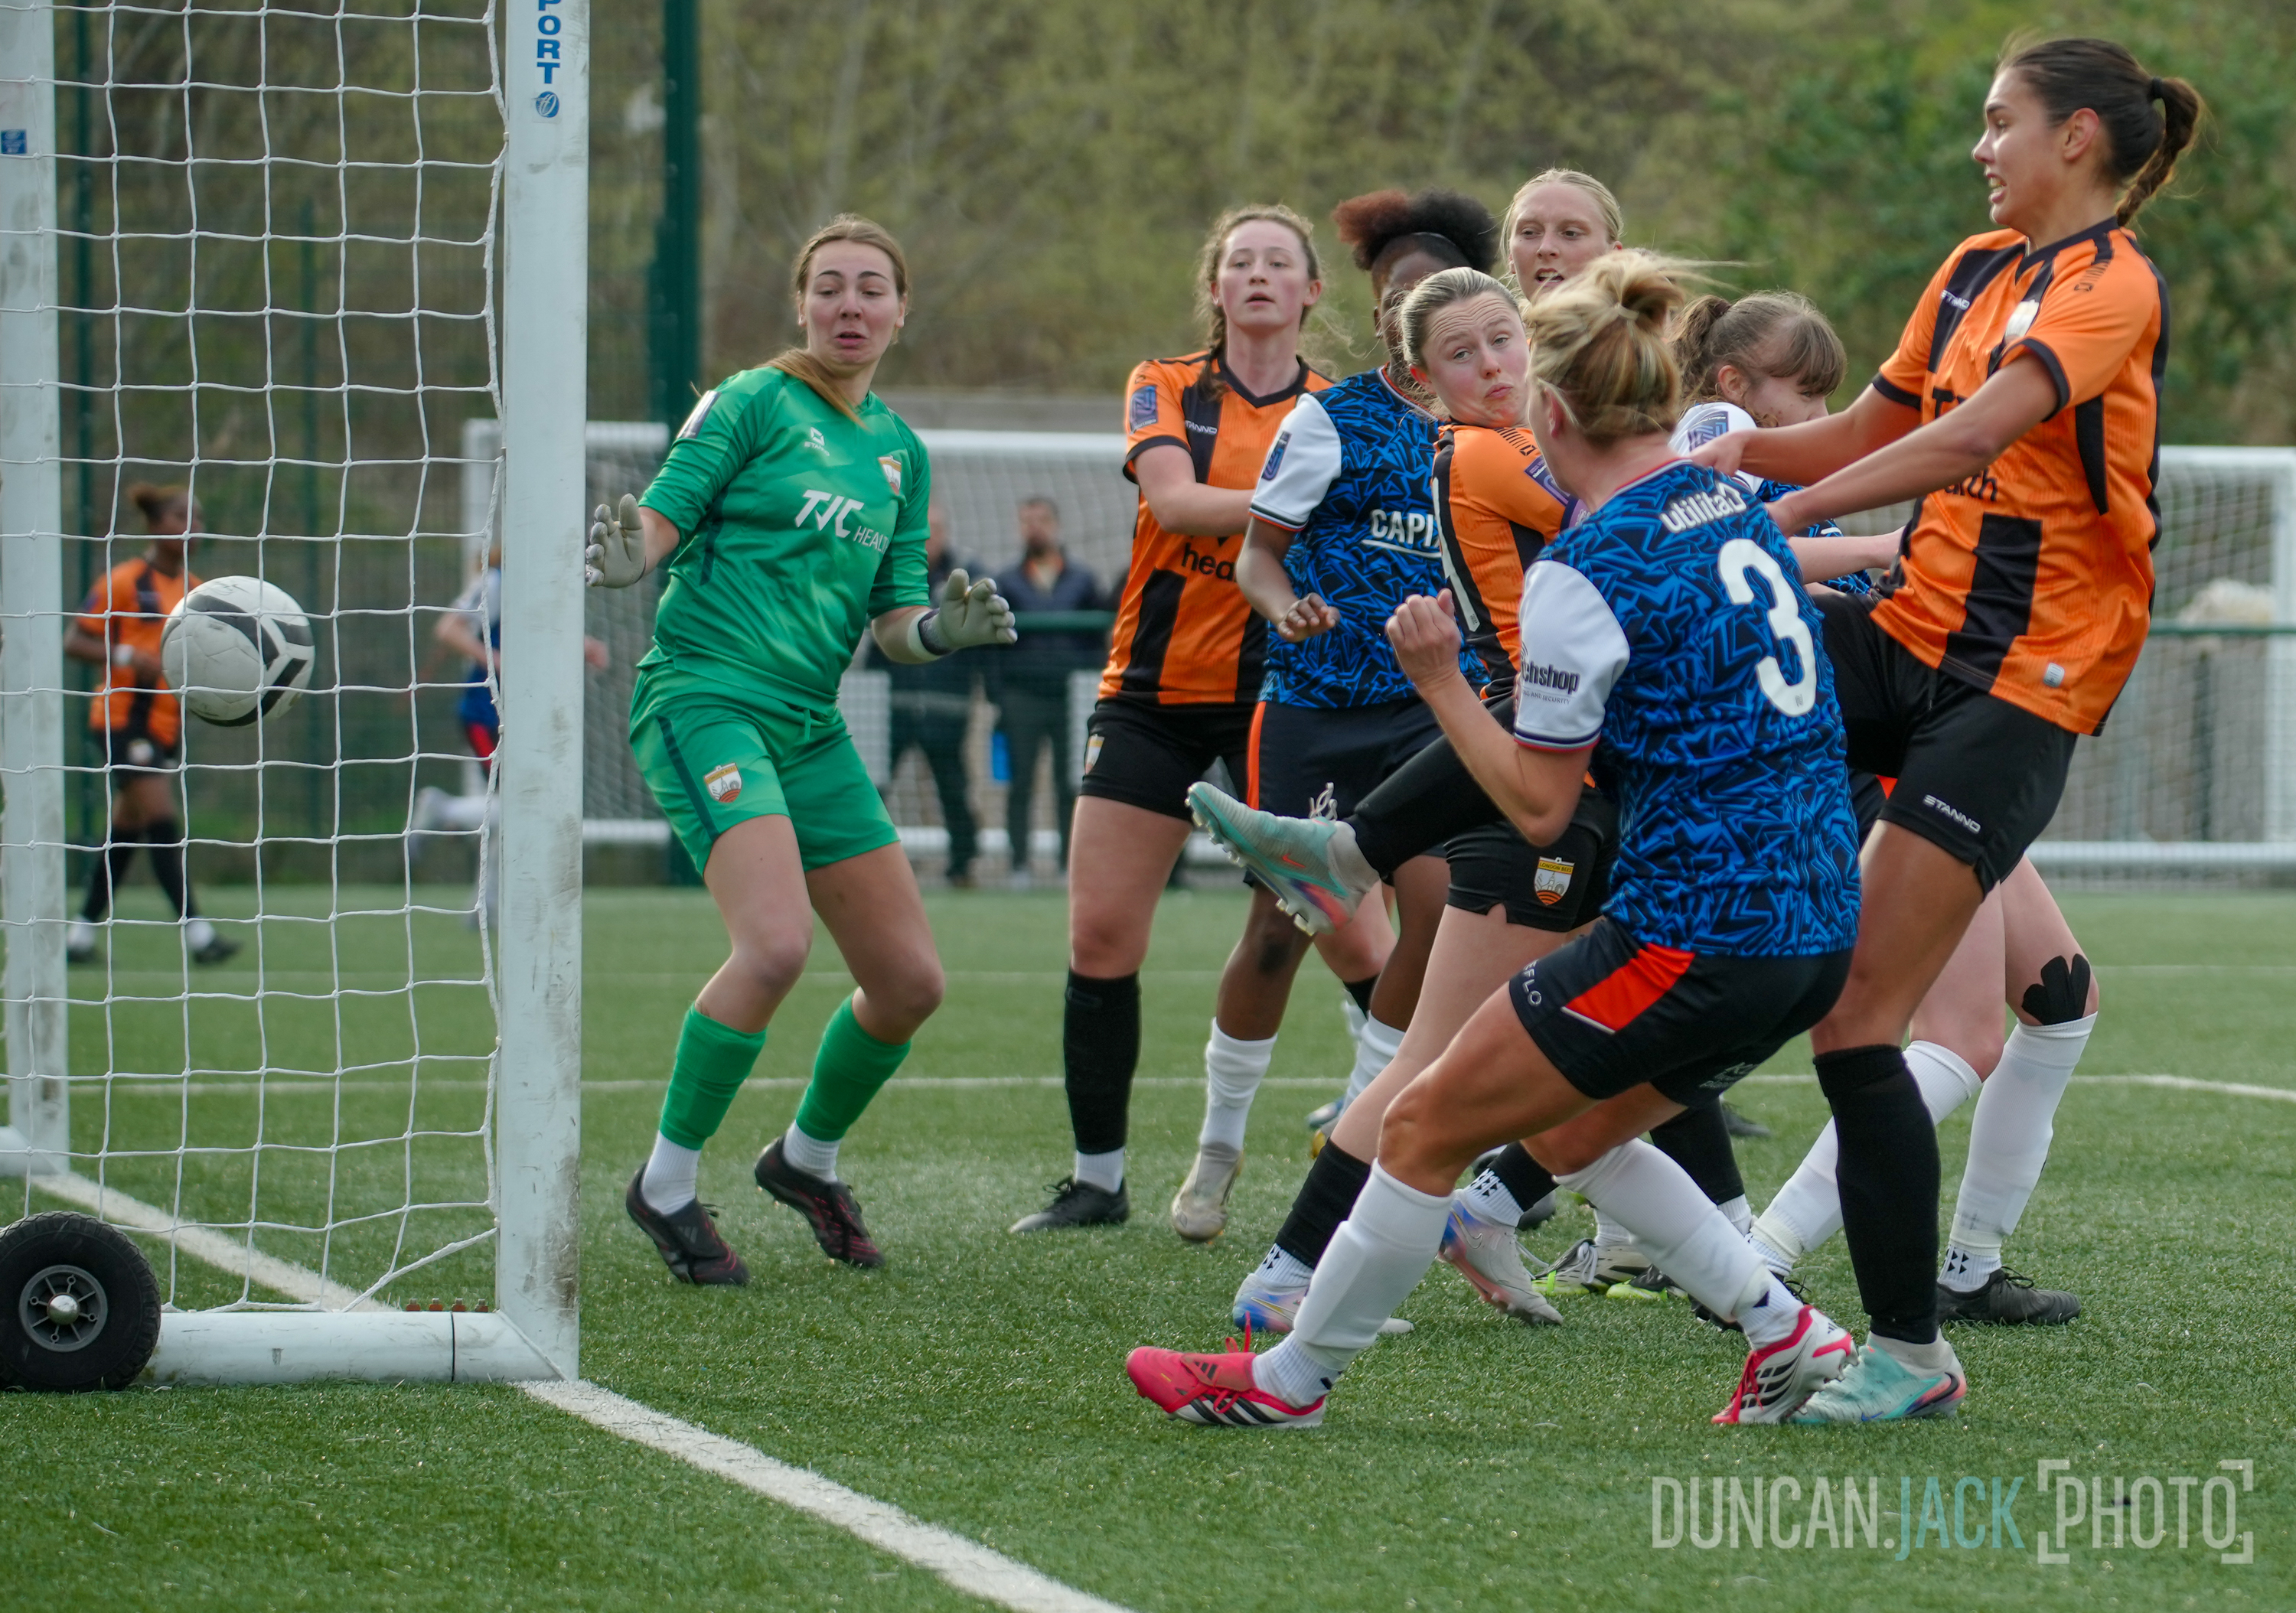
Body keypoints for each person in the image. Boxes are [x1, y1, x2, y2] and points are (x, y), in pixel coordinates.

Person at [1127, 252, 1864, 1429]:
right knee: (1564, 1132)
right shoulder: (1722, 498)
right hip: (1818, 916)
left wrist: (1438, 679)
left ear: (1552, 408)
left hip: (1700, 929)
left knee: (1423, 1121)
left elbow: (1537, 807)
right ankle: (1788, 1332)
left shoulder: (1588, 565)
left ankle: (1287, 1385)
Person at [1693, 37, 2200, 1419]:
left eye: (2000, 122)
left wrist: (1786, 513)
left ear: (2079, 137)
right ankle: (1421, 844)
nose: (1982, 147)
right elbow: (1873, 419)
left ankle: (1913, 1350)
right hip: (1910, 634)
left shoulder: (2115, 285)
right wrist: (1730, 458)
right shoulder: (1972, 271)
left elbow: (1967, 439)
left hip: (2019, 683)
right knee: (1697, 665)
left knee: (1864, 1021)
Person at [588, 213, 1015, 1285]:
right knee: (774, 945)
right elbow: (661, 520)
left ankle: (806, 1159)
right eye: (830, 287)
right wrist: (626, 558)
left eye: (872, 288)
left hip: (810, 725)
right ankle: (667, 1185)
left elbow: (897, 624)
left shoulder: (900, 454)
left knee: (910, 981)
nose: (851, 306)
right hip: (706, 698)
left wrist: (944, 634)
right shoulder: (748, 402)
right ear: (801, 304)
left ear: (902, 309)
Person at [1012, 204, 1396, 1237]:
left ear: (1314, 292)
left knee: (1349, 932)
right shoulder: (1165, 383)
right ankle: (1098, 1180)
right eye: (1241, 262)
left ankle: (1423, 1152)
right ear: (1216, 288)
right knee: (1099, 932)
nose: (1260, 276)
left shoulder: (1344, 407)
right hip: (1151, 696)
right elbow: (1176, 507)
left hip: (1292, 698)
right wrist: (1302, 505)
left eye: (1282, 263)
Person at [64, 482, 236, 966]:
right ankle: (199, 934)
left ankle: (79, 936)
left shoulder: (197, 591)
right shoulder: (122, 582)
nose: (193, 527)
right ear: (156, 525)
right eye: (182, 517)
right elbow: (74, 641)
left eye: (198, 519)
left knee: (126, 833)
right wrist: (122, 654)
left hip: (166, 725)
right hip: (121, 721)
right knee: (162, 821)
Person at [416, 542, 608, 927]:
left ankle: (484, 905)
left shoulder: (537, 588)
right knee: (519, 806)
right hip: (486, 714)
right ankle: (445, 812)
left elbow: (535, 640)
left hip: (521, 716)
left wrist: (581, 646)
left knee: (519, 807)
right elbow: (448, 628)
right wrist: (496, 660)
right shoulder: (497, 582)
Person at [868, 495, 982, 885]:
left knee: (953, 787)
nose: (929, 539)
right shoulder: (895, 571)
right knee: (876, 785)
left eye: (936, 532)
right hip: (896, 705)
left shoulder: (966, 576)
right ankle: (865, 863)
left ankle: (963, 864)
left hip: (947, 706)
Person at [990, 496, 1100, 881]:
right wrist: (998, 697)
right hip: (1022, 697)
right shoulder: (1006, 581)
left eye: (1041, 519)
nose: (1034, 527)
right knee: (1020, 781)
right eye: (1026, 520)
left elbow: (1098, 643)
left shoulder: (1083, 580)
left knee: (1070, 782)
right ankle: (1019, 864)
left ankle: (1071, 864)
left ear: (1056, 524)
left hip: (1071, 698)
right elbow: (993, 648)